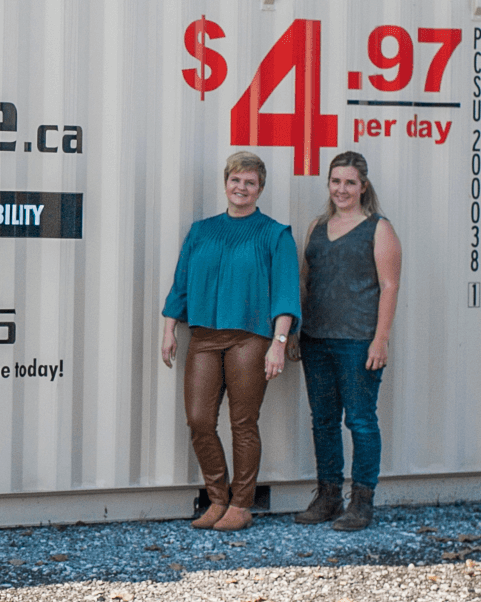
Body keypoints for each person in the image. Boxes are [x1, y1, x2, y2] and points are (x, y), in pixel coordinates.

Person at [160, 151, 301, 533]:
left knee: (243, 422)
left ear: (260, 189)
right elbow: (182, 283)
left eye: (250, 182)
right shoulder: (201, 231)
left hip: (251, 338)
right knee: (199, 419)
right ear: (226, 183)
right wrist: (169, 328)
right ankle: (217, 497)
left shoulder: (274, 234)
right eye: (236, 180)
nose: (242, 187)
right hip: (204, 336)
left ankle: (241, 504)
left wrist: (278, 342)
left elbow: (287, 292)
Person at [293, 151, 402, 531]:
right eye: (336, 181)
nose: (342, 189)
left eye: (350, 182)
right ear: (329, 184)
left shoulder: (378, 228)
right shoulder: (316, 227)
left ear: (363, 186)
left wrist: (381, 339)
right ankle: (327, 496)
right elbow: (305, 281)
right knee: (323, 421)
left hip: (358, 342)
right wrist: (296, 332)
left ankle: (362, 502)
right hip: (316, 340)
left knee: (360, 421)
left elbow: (389, 286)